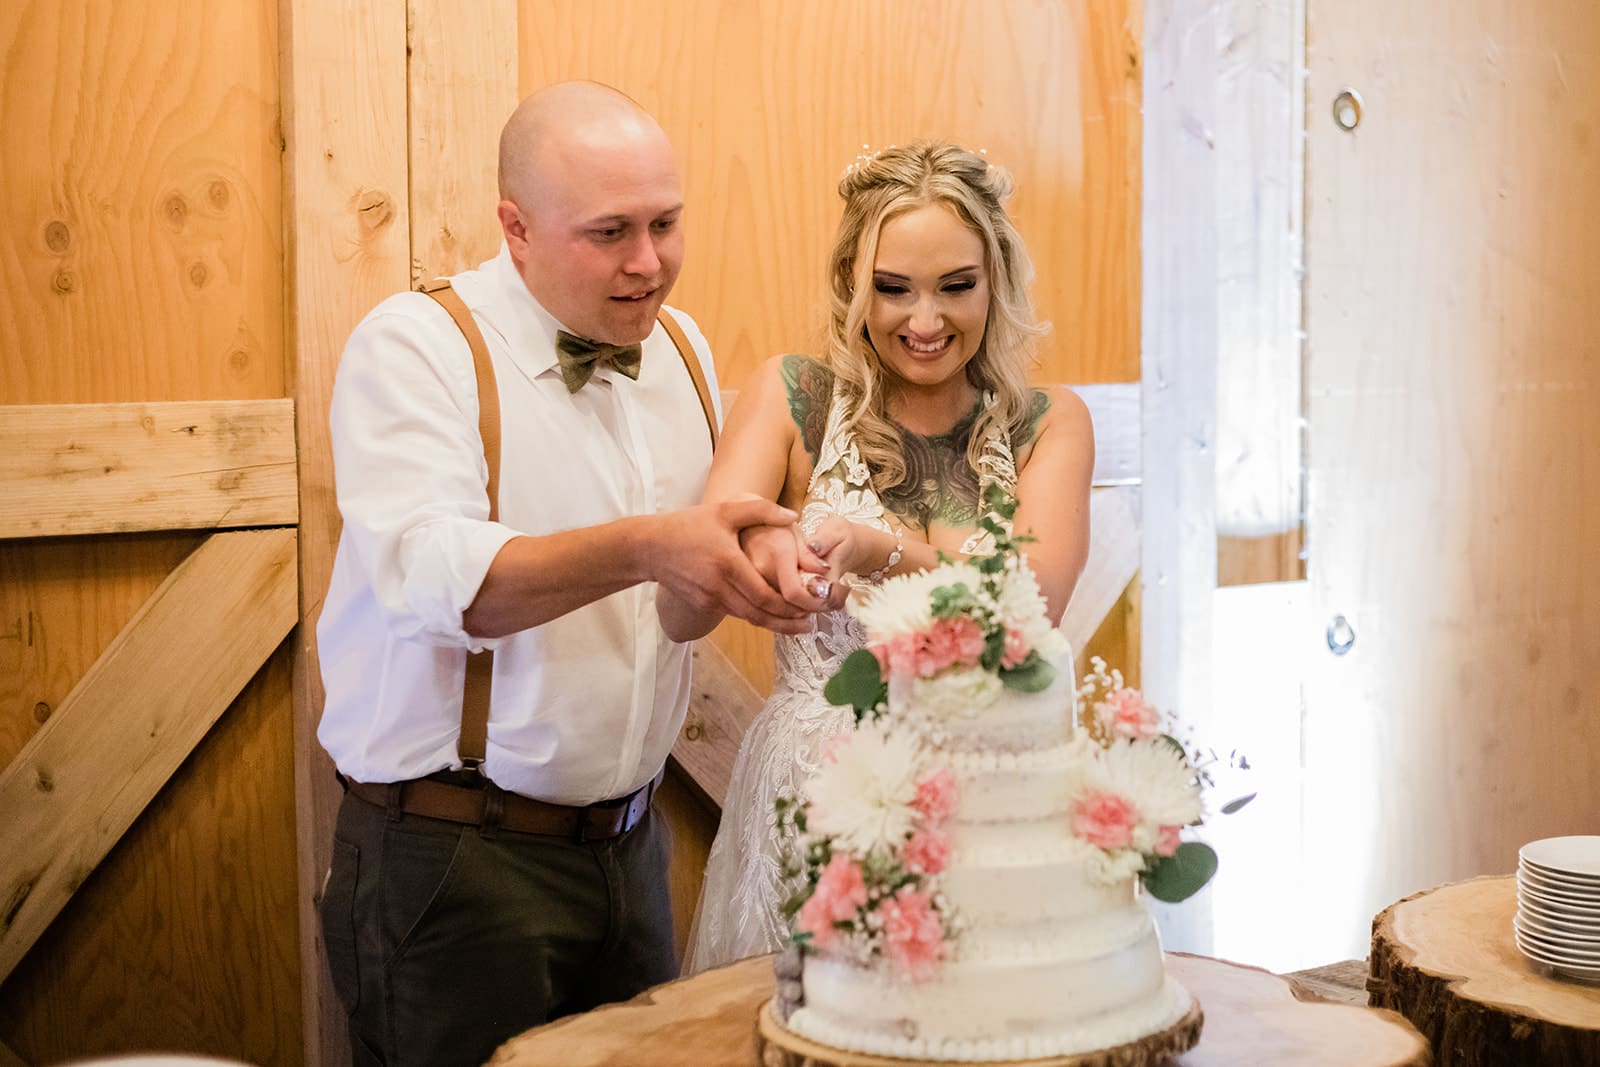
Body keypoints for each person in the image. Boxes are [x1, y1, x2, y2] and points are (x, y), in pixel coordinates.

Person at [313, 82, 824, 1067]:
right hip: (458, 856)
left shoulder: (680, 346)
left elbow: (675, 603)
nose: (648, 263)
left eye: (666, 224)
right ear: (515, 226)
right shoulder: (418, 346)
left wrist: (749, 555)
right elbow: (437, 584)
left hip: (631, 851)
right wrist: (648, 542)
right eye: (610, 233)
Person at [672, 141, 1096, 973]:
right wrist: (760, 552)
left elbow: (1030, 600)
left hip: (997, 801)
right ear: (852, 285)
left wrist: (884, 550)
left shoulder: (1049, 422)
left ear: (998, 278)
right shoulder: (793, 396)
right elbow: (695, 581)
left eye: (957, 287)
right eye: (892, 289)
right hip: (823, 797)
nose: (925, 321)